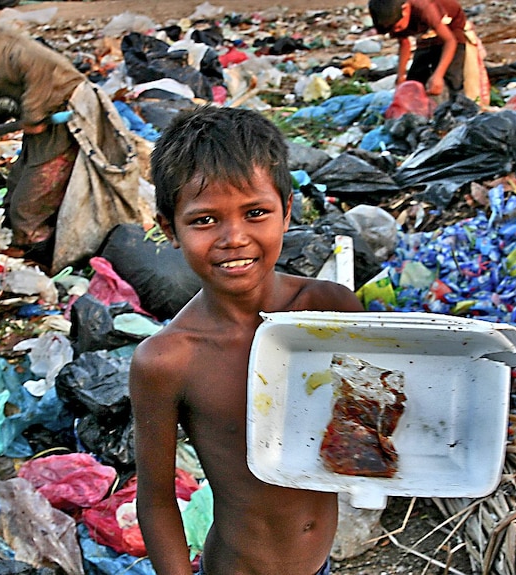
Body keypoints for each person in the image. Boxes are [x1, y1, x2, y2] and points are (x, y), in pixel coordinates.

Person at [129, 106, 365, 575]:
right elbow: (156, 501)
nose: (234, 238)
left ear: (287, 210)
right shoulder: (169, 360)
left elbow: (373, 423)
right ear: (167, 228)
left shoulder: (330, 309)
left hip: (320, 565)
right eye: (204, 220)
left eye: (255, 213)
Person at [0, 0, 139, 271]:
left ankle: (42, 262)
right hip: (45, 121)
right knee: (14, 194)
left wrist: (33, 112)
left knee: (27, 209)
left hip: (63, 117)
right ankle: (32, 244)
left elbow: (38, 65)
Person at [369, 0, 469, 98]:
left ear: (405, 9)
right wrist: (401, 76)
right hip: (426, 34)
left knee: (451, 77)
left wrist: (438, 75)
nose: (396, 30)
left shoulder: (425, 8)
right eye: (392, 29)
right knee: (415, 78)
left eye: (398, 27)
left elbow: (450, 41)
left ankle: (457, 105)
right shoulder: (393, 18)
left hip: (451, 28)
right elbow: (404, 44)